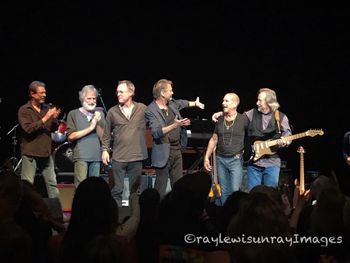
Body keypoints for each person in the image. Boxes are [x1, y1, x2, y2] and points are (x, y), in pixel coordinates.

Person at [213, 88, 292, 191]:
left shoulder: (281, 117)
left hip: (272, 162)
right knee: (253, 196)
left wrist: (285, 141)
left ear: (269, 102)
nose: (257, 103)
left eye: (260, 100)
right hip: (254, 163)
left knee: (270, 196)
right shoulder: (251, 113)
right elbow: (237, 117)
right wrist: (222, 113)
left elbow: (288, 135)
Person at [144, 79, 205, 199]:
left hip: (177, 150)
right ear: (162, 93)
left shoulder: (172, 103)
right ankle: (158, 212)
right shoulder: (151, 110)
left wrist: (195, 103)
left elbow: (183, 103)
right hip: (163, 151)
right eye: (170, 91)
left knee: (178, 186)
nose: (172, 93)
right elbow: (156, 133)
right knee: (160, 187)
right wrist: (175, 125)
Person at [101, 80, 148, 206]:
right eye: (117, 92)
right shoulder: (112, 112)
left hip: (136, 157)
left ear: (131, 92)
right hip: (118, 157)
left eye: (121, 92)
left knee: (134, 192)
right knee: (117, 190)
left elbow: (157, 119)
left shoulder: (142, 109)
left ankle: (135, 218)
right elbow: (106, 134)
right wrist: (105, 150)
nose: (118, 94)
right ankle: (116, 218)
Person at [204, 93, 248, 205]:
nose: (223, 103)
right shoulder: (220, 119)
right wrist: (206, 157)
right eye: (223, 100)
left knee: (235, 191)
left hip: (235, 159)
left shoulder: (243, 119)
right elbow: (214, 139)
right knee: (224, 191)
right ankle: (224, 216)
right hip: (220, 159)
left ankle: (234, 217)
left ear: (235, 103)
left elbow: (253, 135)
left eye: (227, 101)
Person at [18, 80, 60, 198]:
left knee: (52, 185)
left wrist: (55, 119)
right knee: (27, 185)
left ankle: (57, 213)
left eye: (45, 92)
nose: (44, 95)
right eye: (41, 93)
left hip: (46, 153)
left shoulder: (47, 108)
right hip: (30, 153)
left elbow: (53, 128)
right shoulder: (24, 110)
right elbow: (28, 129)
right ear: (32, 94)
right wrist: (46, 118)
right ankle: (25, 212)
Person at [66, 85, 105, 187]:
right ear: (82, 99)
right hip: (81, 156)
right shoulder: (73, 113)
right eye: (89, 98)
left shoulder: (99, 113)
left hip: (96, 156)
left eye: (94, 98)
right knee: (80, 186)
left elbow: (102, 137)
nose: (92, 101)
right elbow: (71, 136)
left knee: (95, 187)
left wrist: (97, 121)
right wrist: (91, 127)